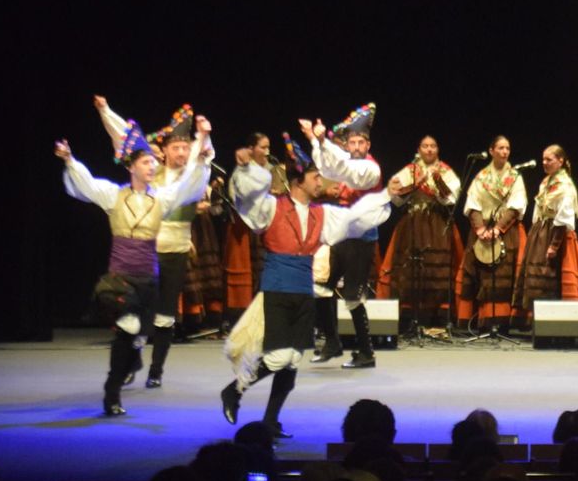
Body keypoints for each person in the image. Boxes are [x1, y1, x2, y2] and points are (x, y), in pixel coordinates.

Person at [220, 136, 391, 437]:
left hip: (302, 290)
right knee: (280, 357)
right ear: (298, 181)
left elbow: (354, 218)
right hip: (277, 288)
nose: (320, 182)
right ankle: (234, 390)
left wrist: (388, 195)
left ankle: (270, 421)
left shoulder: (320, 213)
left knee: (292, 363)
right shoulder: (272, 207)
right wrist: (246, 170)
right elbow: (246, 200)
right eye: (315, 177)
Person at [58, 113, 212, 415]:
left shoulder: (162, 198)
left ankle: (134, 363)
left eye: (152, 162)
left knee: (139, 333)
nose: (152, 165)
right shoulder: (114, 196)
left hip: (149, 279)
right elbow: (86, 184)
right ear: (131, 167)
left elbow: (190, 185)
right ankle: (112, 394)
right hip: (121, 278)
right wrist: (69, 159)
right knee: (126, 330)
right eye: (145, 162)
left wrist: (203, 146)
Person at [96, 98, 214, 387]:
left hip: (176, 251)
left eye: (186, 147)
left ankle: (156, 371)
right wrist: (106, 111)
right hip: (147, 253)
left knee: (165, 314)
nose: (182, 152)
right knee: (138, 312)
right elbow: (126, 139)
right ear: (165, 150)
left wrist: (204, 136)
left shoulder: (192, 178)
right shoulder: (152, 174)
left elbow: (204, 159)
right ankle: (131, 361)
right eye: (176, 147)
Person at [305, 105, 383, 367]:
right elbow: (330, 166)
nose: (357, 146)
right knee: (321, 287)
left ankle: (366, 353)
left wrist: (321, 140)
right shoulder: (348, 163)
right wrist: (314, 139)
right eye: (352, 142)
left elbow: (345, 172)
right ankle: (332, 342)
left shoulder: (370, 169)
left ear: (368, 144)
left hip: (361, 239)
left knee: (351, 295)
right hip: (341, 236)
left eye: (361, 142)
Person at [378, 135, 462, 332]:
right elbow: (396, 195)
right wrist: (419, 181)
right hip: (413, 223)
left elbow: (451, 198)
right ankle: (411, 316)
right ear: (419, 149)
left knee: (438, 268)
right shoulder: (410, 170)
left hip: (437, 223)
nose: (429, 150)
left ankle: (438, 317)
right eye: (425, 146)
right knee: (411, 268)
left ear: (438, 149)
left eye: (433, 146)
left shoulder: (446, 170)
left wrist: (437, 179)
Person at [457, 135, 528, 330]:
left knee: (504, 274)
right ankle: (482, 320)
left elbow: (517, 205)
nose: (505, 152)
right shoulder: (481, 176)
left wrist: (498, 229)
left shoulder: (515, 177)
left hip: (507, 231)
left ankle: (502, 322)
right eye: (501, 148)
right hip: (482, 231)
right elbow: (472, 204)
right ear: (491, 151)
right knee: (481, 275)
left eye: (507, 148)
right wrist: (480, 228)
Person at [519, 144, 578, 322]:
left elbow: (564, 216)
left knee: (554, 277)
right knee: (538, 277)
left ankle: (559, 322)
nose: (544, 163)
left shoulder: (565, 185)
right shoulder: (546, 182)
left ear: (561, 161)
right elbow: (538, 210)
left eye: (549, 159)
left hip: (557, 236)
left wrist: (554, 244)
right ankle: (539, 321)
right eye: (543, 159)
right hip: (541, 233)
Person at [222, 132, 287, 323]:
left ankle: (265, 315)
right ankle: (240, 318)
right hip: (244, 227)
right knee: (245, 274)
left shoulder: (272, 169)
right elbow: (244, 192)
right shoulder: (241, 170)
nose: (267, 152)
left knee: (263, 272)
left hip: (265, 226)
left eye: (268, 147)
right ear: (251, 149)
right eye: (262, 147)